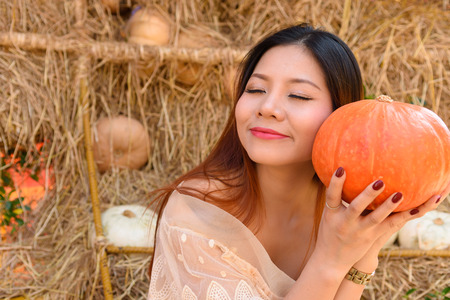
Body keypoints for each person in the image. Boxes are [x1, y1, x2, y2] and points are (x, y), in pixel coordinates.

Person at [147, 23, 447, 299]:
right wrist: (331, 259)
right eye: (255, 89)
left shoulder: (343, 216)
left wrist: (367, 248)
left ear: (342, 115)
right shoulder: (195, 214)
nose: (268, 107)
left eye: (299, 96)